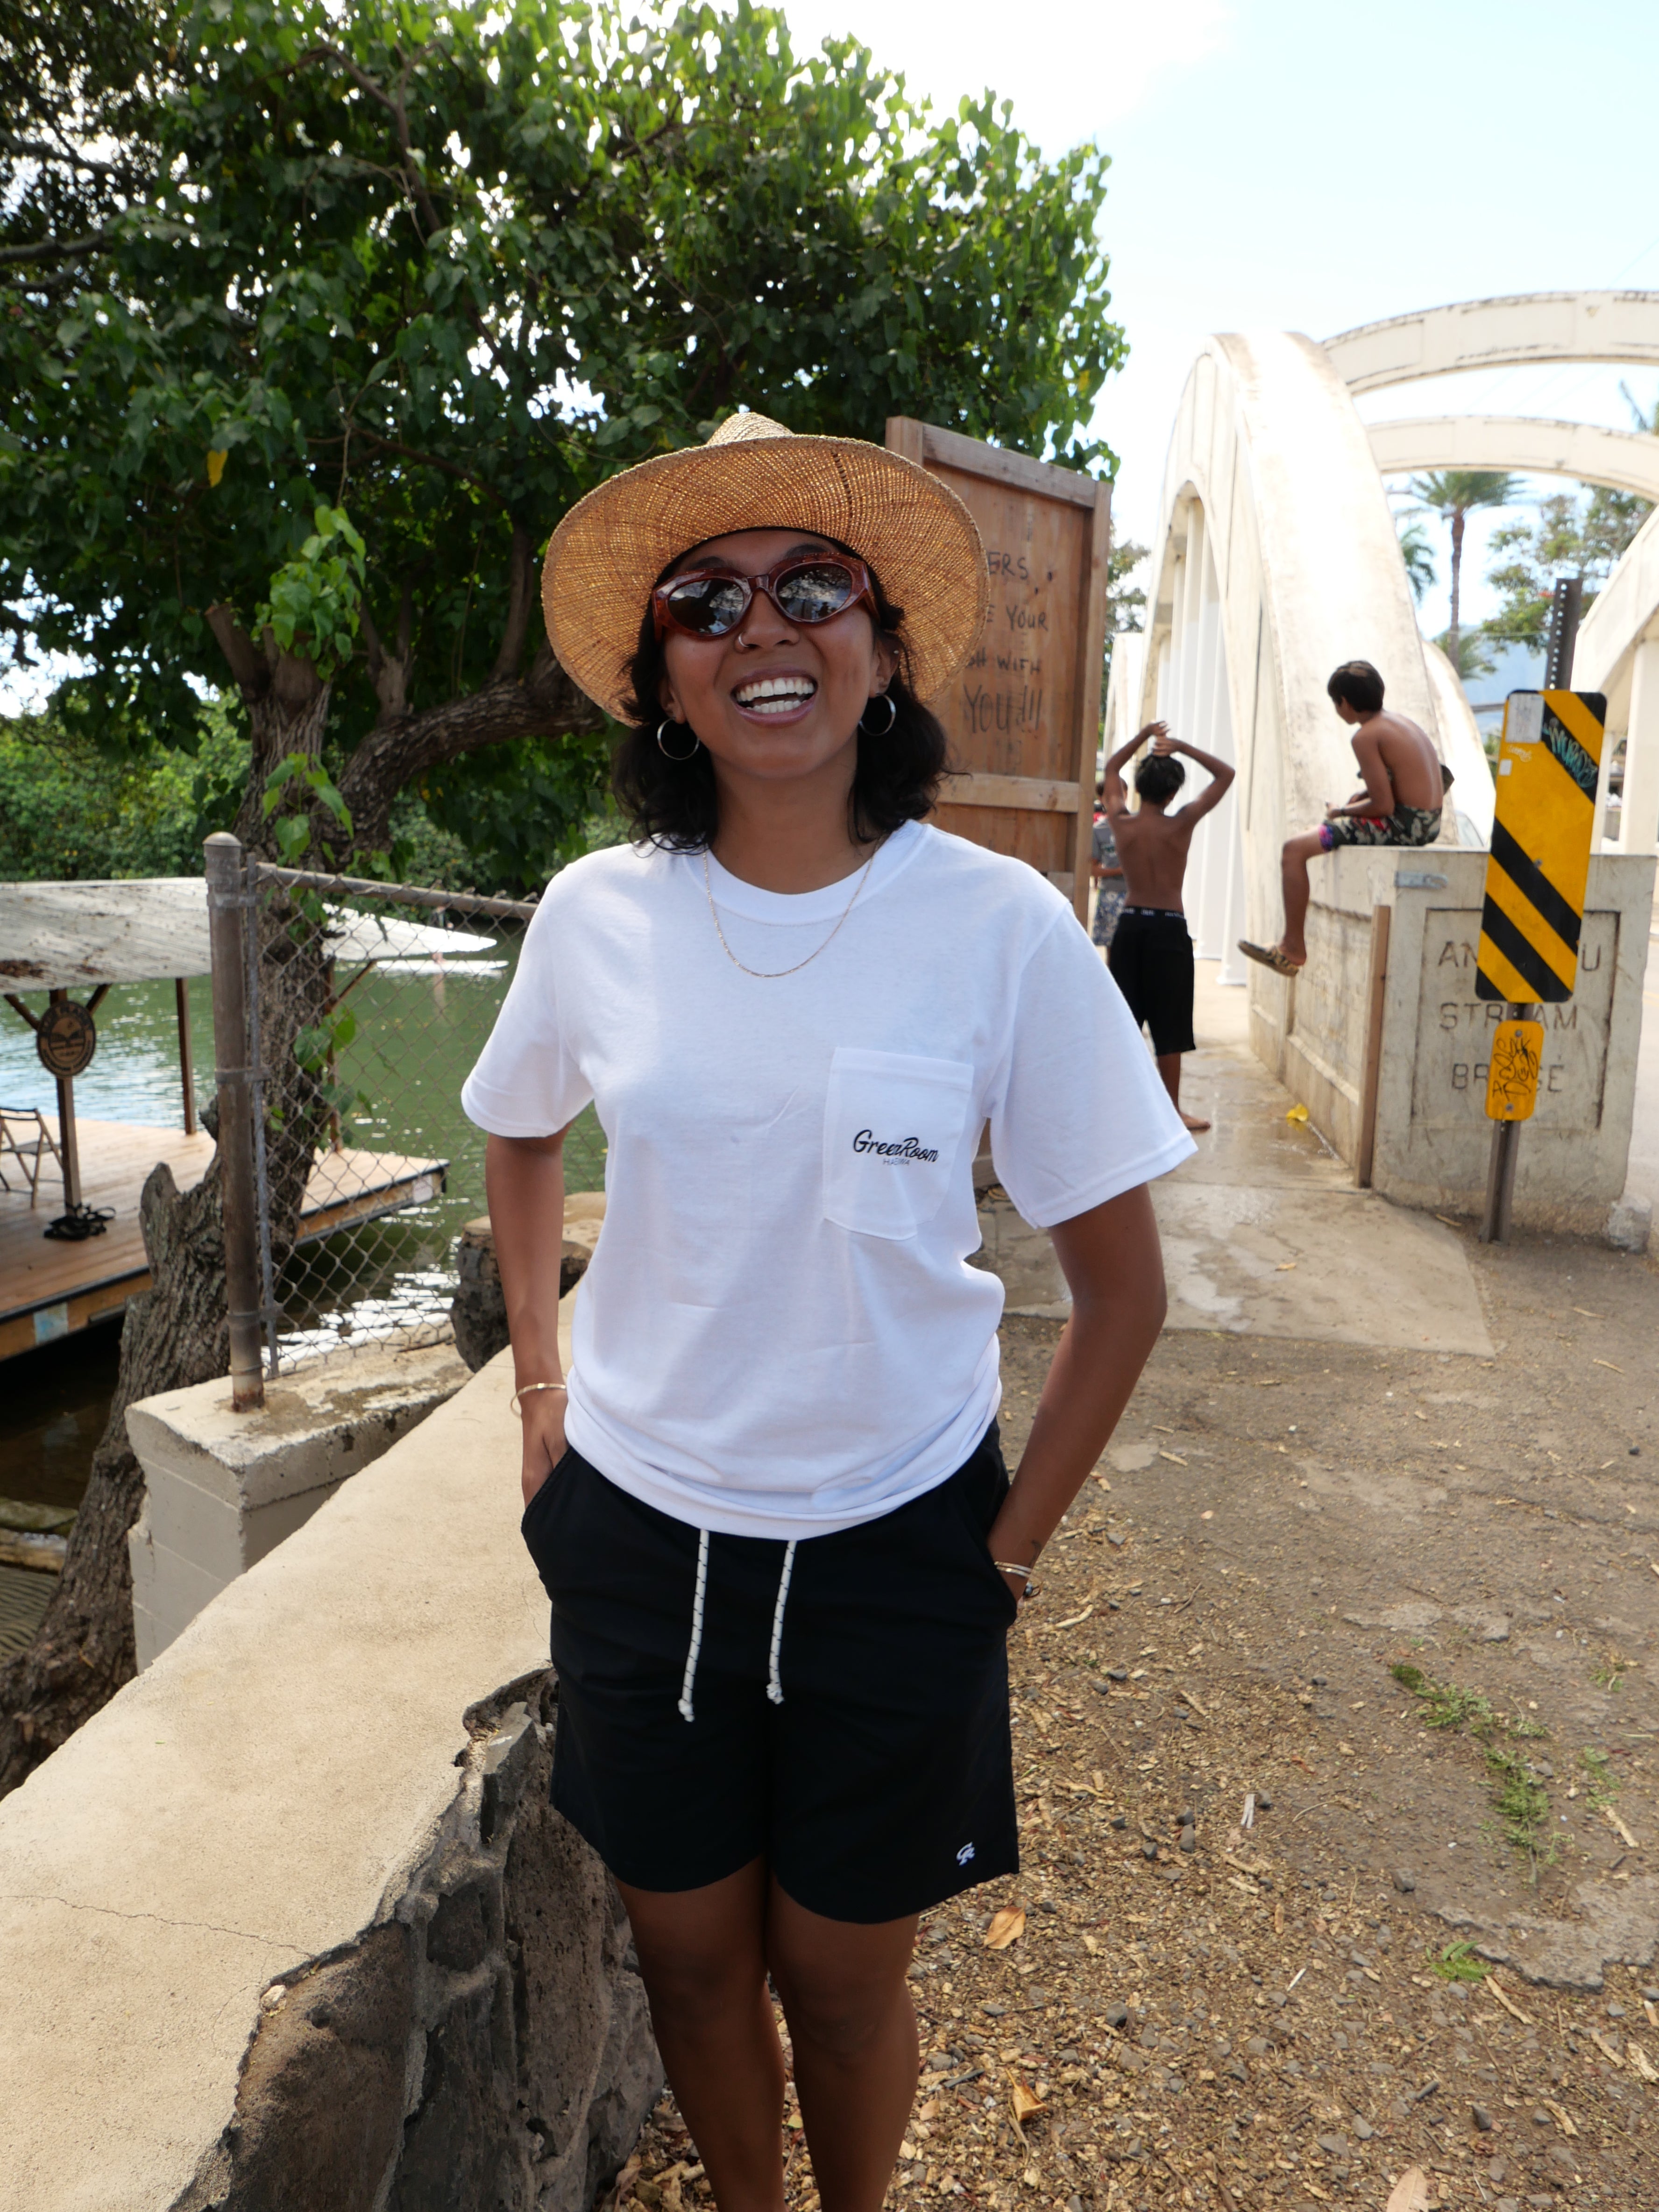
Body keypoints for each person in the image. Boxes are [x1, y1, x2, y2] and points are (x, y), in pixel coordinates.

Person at [461, 411, 1194, 2212]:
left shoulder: (999, 927)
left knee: (845, 1978)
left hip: (895, 1535)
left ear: (878, 649)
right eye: (704, 602)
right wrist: (541, 1390)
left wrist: (999, 1557)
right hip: (637, 1533)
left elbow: (1120, 1291)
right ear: (658, 683)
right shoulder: (594, 917)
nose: (760, 627)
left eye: (811, 586)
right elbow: (514, 1126)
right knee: (692, 1961)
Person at [1239, 659, 1447, 976]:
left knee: (1294, 850)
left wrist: (1342, 812)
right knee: (1319, 832)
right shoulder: (1401, 723)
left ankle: (1292, 948)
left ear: (1345, 704)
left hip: (1407, 826)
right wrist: (1361, 800)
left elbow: (1383, 807)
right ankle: (1291, 946)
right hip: (1428, 822)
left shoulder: (1365, 737)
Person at [1098, 720, 1235, 1135]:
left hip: (1130, 927)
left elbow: (1112, 770)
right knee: (1170, 1024)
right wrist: (1181, 746)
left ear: (1137, 789)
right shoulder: (1182, 822)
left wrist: (1143, 737)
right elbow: (1226, 774)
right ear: (1174, 792)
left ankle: (1115, 1108)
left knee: (1125, 1021)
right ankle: (1170, 1111)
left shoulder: (1121, 821)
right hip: (1169, 931)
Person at [1090, 778, 1127, 950]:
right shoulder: (1098, 830)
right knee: (1112, 949)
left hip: (1137, 895)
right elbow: (1093, 870)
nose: (1115, 798)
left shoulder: (1138, 825)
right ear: (1101, 799)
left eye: (1120, 793)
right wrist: (1121, 870)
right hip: (1109, 895)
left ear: (1127, 794)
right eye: (1109, 795)